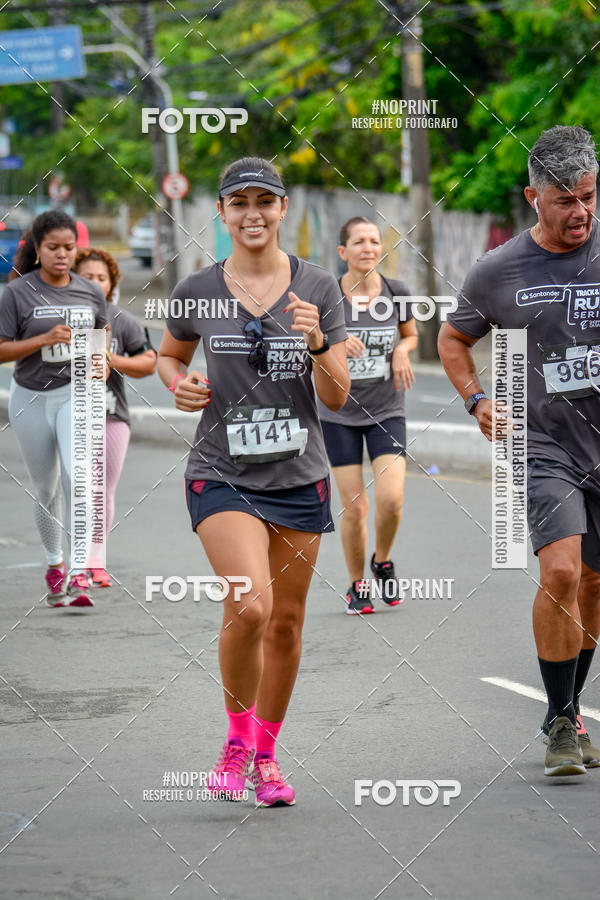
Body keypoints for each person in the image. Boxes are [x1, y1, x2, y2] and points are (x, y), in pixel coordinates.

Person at [158, 157, 349, 806]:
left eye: (264, 201)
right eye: (238, 202)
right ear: (220, 213)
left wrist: (321, 344)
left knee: (288, 624)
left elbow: (340, 394)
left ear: (283, 208)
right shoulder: (197, 290)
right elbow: (169, 352)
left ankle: (266, 756)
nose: (252, 214)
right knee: (251, 605)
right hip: (221, 473)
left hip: (299, 475)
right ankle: (236, 740)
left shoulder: (320, 287)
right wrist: (176, 384)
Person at [438, 125, 600, 776]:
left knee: (594, 583)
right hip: (543, 444)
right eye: (565, 200)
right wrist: (478, 399)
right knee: (561, 572)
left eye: (590, 196)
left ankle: (567, 706)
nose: (581, 212)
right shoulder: (499, 269)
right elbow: (453, 340)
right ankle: (561, 722)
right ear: (533, 196)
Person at [0, 210, 109, 608]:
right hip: (30, 396)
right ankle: (55, 563)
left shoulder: (89, 291)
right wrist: (44, 338)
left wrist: (100, 358)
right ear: (38, 249)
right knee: (46, 489)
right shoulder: (17, 293)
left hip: (76, 394)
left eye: (69, 247)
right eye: (53, 248)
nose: (62, 255)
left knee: (79, 478)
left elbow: (103, 334)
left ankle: (80, 571)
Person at [318, 217, 418, 614]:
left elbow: (410, 333)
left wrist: (400, 351)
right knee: (356, 506)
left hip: (386, 410)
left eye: (374, 241)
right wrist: (336, 342)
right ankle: (356, 584)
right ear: (343, 252)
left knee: (391, 500)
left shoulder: (398, 292)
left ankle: (382, 561)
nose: (368, 248)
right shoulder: (328, 296)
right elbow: (311, 343)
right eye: (358, 241)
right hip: (338, 413)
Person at [74, 247, 157, 587]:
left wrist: (113, 362)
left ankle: (95, 559)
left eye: (101, 278)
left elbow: (149, 362)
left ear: (111, 283)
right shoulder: (58, 318)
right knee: (74, 488)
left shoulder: (122, 321)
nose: (94, 283)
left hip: (111, 415)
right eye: (86, 277)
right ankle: (71, 560)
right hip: (67, 415)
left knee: (101, 490)